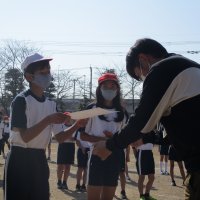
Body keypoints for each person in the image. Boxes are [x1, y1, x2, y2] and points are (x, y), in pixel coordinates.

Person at [93, 38, 200, 200]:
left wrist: (109, 145)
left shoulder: (161, 69)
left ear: (143, 59)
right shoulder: (190, 67)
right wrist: (146, 138)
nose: (144, 80)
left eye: (140, 75)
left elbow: (140, 121)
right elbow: (181, 128)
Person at [4, 53, 87, 200]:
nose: (47, 75)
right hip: (19, 158)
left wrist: (76, 125)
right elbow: (25, 136)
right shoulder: (21, 101)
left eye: (48, 71)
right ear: (29, 77)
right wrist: (48, 120)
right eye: (42, 72)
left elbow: (60, 137)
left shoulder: (51, 104)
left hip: (39, 158)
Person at [81, 72, 129, 200]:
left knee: (109, 196)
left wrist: (113, 142)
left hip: (115, 157)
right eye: (105, 86)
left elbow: (124, 137)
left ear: (117, 89)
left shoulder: (122, 112)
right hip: (97, 155)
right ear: (99, 89)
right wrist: (105, 140)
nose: (109, 89)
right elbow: (83, 136)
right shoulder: (92, 109)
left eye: (112, 86)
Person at [56, 118, 76, 190]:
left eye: (69, 118)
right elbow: (56, 136)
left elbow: (76, 138)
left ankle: (65, 182)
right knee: (60, 165)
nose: (68, 119)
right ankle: (59, 181)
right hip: (62, 145)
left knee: (68, 166)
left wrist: (72, 138)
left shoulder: (74, 126)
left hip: (70, 146)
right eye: (66, 118)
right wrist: (66, 137)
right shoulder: (60, 126)